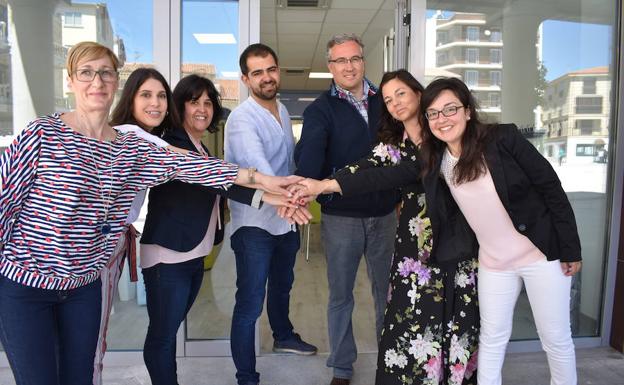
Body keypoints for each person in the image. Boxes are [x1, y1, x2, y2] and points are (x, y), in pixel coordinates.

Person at [0, 41, 300, 385]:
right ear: (70, 81)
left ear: (115, 82)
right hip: (26, 284)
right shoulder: (41, 133)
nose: (97, 82)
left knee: (79, 376)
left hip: (83, 284)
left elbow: (196, 168)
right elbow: (4, 206)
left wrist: (267, 181)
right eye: (86, 73)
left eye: (105, 73)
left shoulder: (130, 146)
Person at [288, 70, 479, 385]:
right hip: (411, 246)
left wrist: (325, 186)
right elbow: (364, 167)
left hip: (449, 241)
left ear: (419, 93)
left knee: (448, 318)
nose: (395, 103)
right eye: (388, 99)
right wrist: (316, 184)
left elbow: (393, 175)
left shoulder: (440, 134)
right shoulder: (395, 141)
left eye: (401, 94)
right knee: (408, 318)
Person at [418, 77, 581, 385]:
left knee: (555, 338)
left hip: (540, 255)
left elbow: (550, 187)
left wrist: (570, 248)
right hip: (494, 263)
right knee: (492, 338)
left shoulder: (501, 139)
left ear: (467, 111)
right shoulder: (436, 160)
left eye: (450, 109)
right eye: (433, 113)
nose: (443, 119)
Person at [139, 74, 300, 385]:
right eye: (194, 102)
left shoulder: (200, 150)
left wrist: (276, 197)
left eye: (208, 103)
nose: (203, 109)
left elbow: (224, 184)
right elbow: (217, 177)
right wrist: (269, 186)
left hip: (193, 254)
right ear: (179, 107)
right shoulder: (171, 144)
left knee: (167, 330)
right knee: (162, 335)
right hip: (168, 256)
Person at [294, 33, 399, 385]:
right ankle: (341, 366)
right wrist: (311, 181)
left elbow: (403, 150)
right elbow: (309, 163)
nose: (349, 66)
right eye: (340, 61)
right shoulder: (319, 110)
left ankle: (392, 358)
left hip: (385, 213)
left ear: (363, 61)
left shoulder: (385, 101)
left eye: (354, 58)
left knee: (386, 291)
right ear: (330, 67)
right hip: (342, 217)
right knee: (341, 295)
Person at [224, 43, 317, 385]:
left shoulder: (279, 109)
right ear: (246, 79)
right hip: (254, 223)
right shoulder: (241, 118)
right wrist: (293, 199)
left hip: (284, 219)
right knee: (250, 301)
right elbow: (261, 170)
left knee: (282, 286)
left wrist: (301, 193)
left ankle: (283, 336)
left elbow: (288, 165)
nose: (267, 77)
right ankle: (247, 377)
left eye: (271, 69)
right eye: (258, 72)